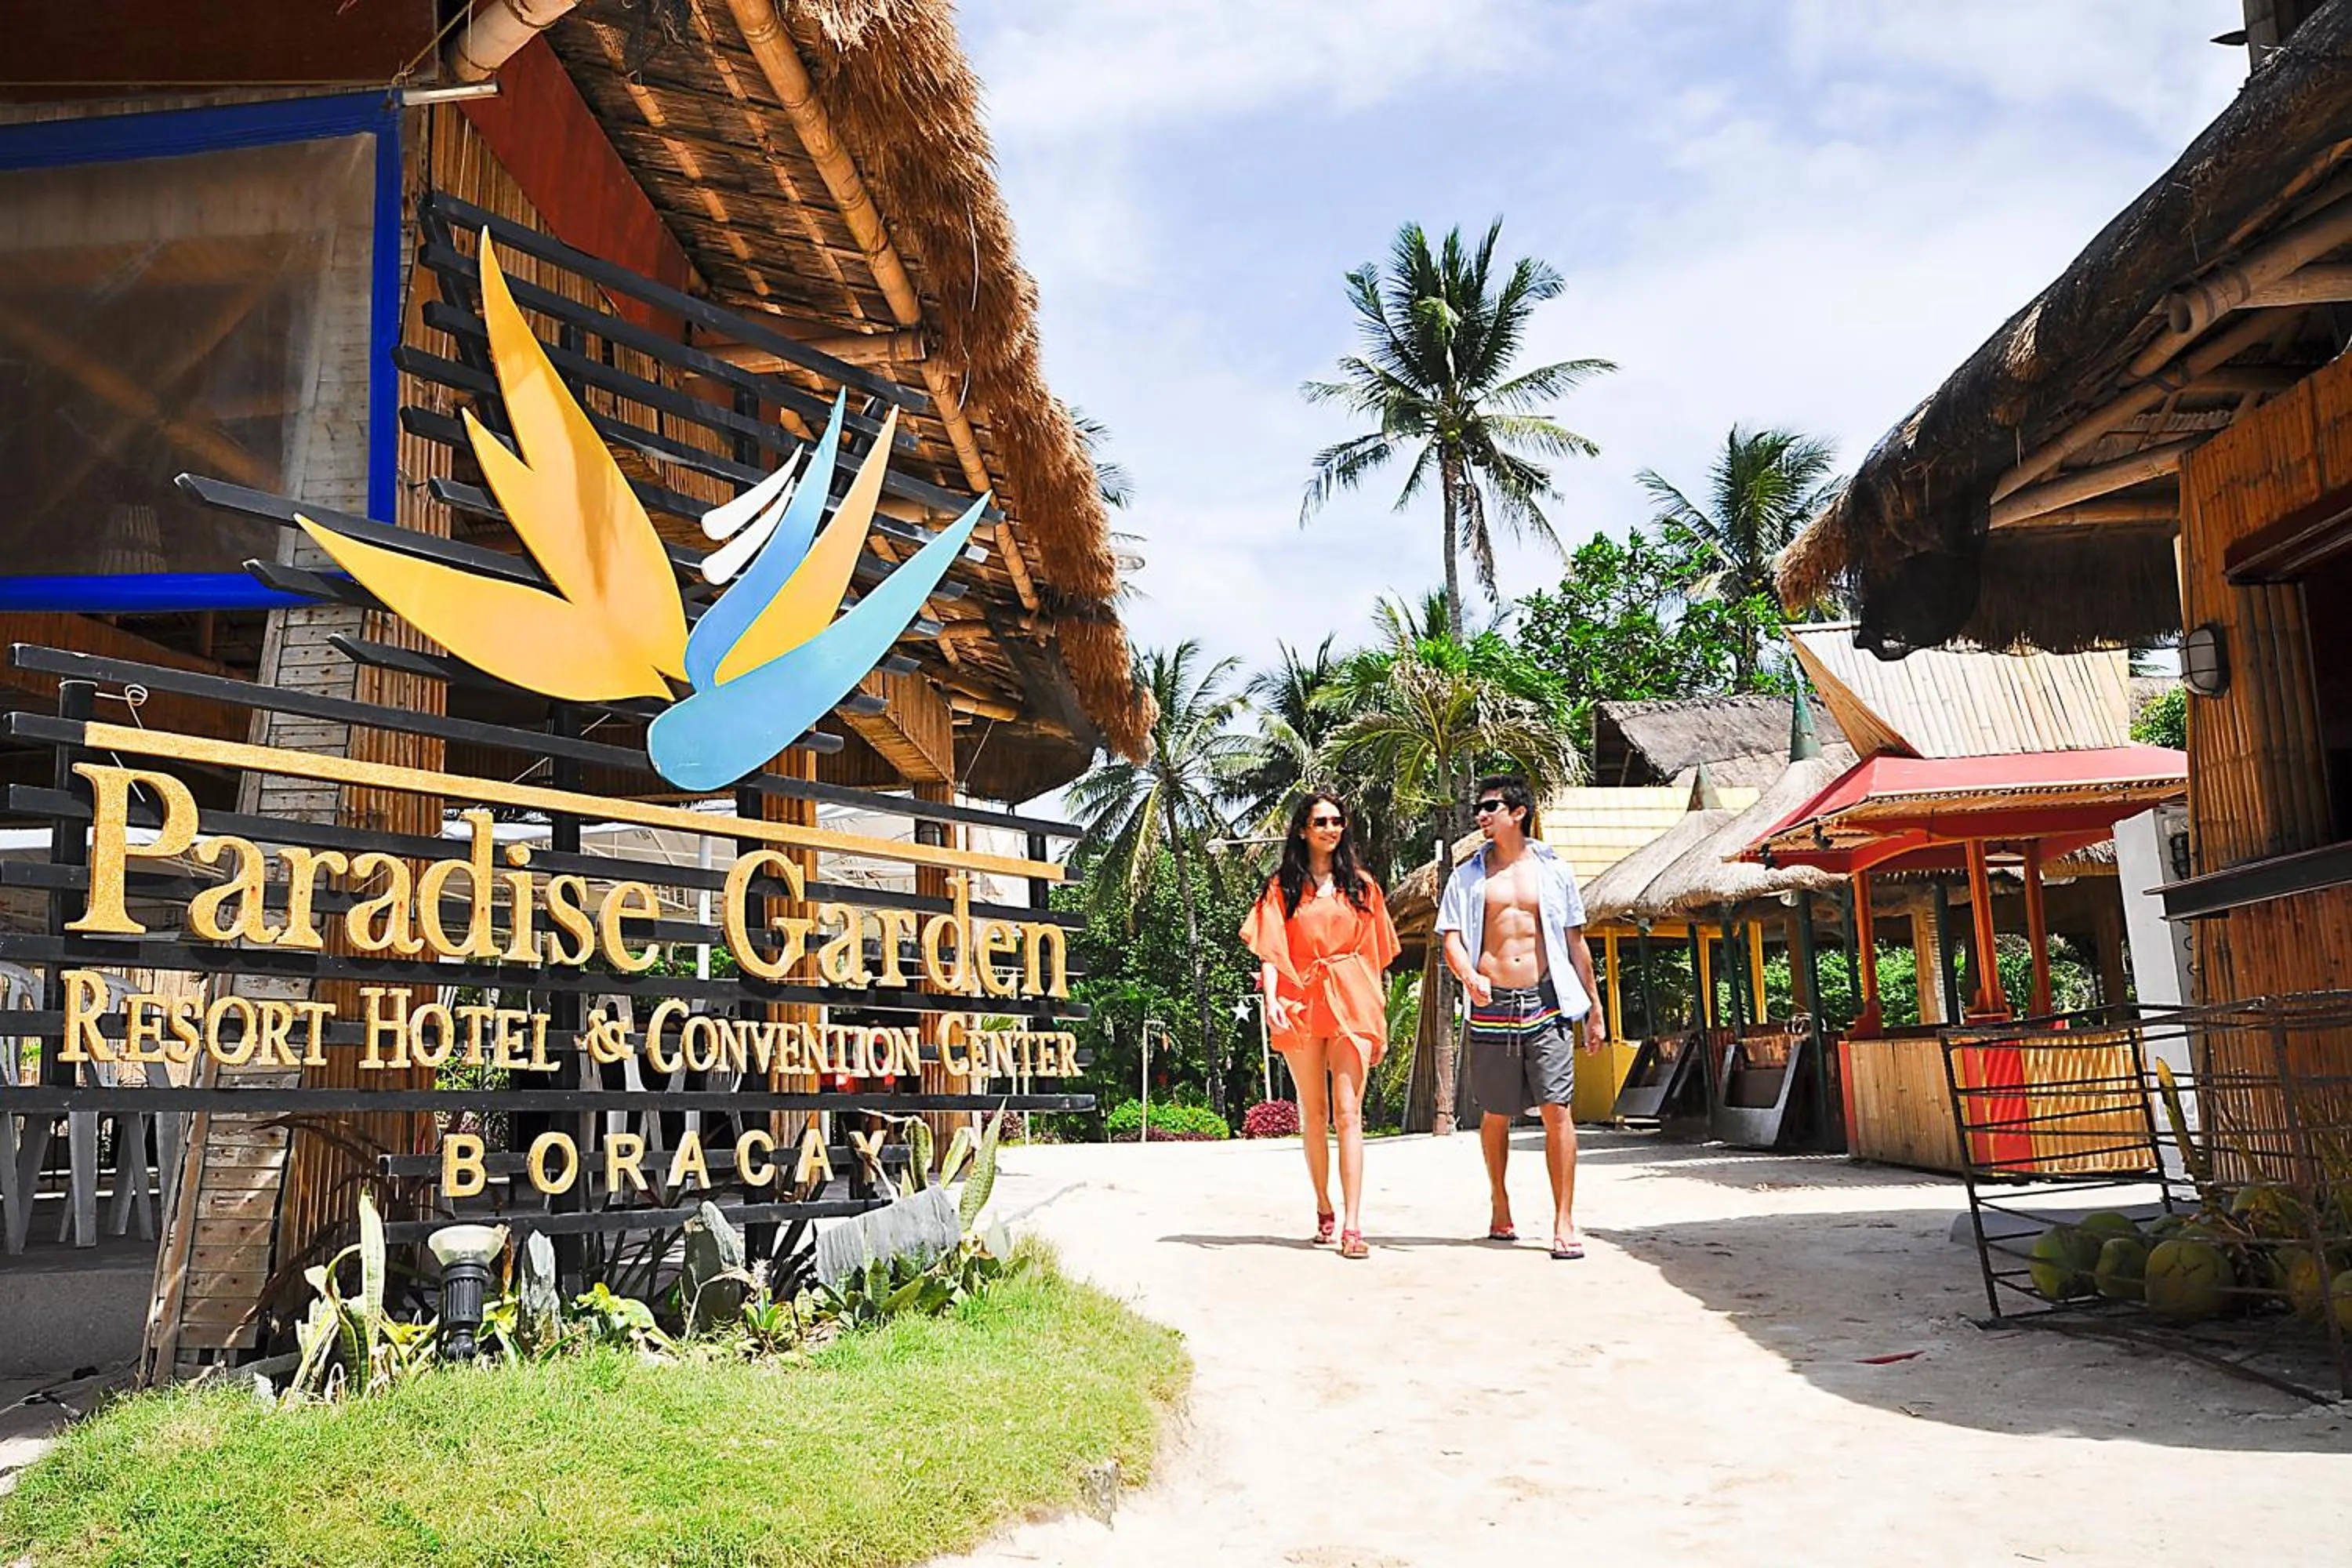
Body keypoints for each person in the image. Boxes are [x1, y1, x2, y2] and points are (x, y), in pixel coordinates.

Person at [1436, 774, 1606, 1260]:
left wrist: (1594, 1009)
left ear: (1518, 812)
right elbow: (1450, 937)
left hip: (1546, 999)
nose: (1481, 815)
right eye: (1478, 808)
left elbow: (1576, 943)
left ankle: (1564, 1219)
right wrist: (1469, 975)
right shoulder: (1468, 875)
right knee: (1495, 1113)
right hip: (1491, 1005)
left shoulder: (1553, 870)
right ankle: (1500, 1198)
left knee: (1558, 1109)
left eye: (1490, 806)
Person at [1240, 789, 1400, 1260]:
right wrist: (1271, 999)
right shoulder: (1283, 887)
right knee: (1314, 1113)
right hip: (1301, 997)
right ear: (1302, 830)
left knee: (1350, 1113)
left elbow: (1376, 957)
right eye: (1321, 822)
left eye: (1337, 821)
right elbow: (1271, 949)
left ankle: (1353, 1224)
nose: (1331, 829)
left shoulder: (1362, 887)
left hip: (1352, 995)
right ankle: (1324, 1206)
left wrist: (1378, 1013)